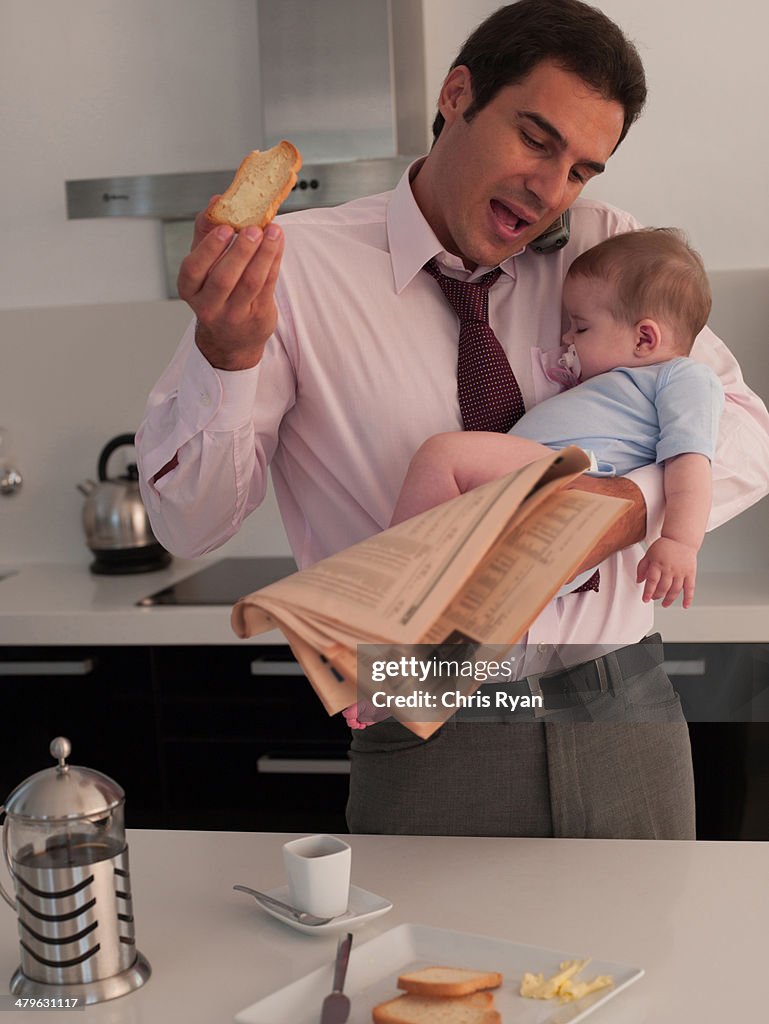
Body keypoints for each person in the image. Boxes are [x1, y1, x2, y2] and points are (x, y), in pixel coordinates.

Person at [136, 0, 769, 839]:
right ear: (457, 94)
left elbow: (741, 430)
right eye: (536, 139)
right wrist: (227, 358)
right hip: (428, 719)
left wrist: (625, 513)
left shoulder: (606, 253)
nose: (551, 190)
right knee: (426, 973)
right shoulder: (289, 272)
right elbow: (190, 525)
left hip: (623, 701)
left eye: (581, 168)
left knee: (646, 971)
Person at [389, 228, 723, 611]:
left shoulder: (685, 377)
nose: (568, 337)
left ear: (644, 339)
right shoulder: (615, 381)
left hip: (568, 490)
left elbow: (692, 461)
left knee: (442, 455)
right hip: (533, 514)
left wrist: (680, 541)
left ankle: (393, 575)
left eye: (581, 327)